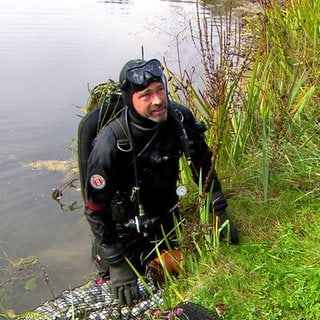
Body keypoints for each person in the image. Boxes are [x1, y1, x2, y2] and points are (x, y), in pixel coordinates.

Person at [83, 58, 238, 305]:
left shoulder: (180, 119)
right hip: (125, 233)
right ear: (129, 100)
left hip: (168, 221)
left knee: (192, 273)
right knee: (127, 299)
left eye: (160, 90)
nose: (157, 100)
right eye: (145, 95)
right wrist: (116, 262)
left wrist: (219, 212)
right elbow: (95, 209)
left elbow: (203, 166)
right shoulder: (110, 144)